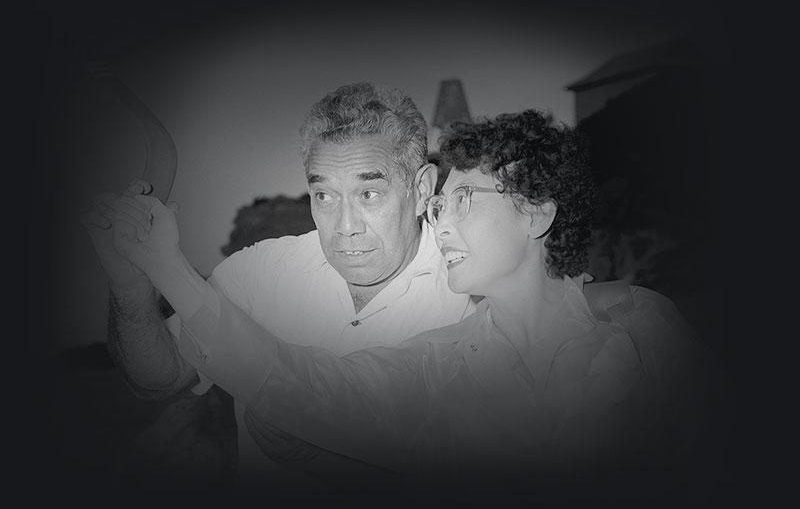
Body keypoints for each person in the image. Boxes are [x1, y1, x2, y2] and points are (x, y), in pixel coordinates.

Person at [108, 109, 708, 493]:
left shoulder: (639, 319)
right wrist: (162, 267)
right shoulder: (438, 364)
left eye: (464, 198)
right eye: (442, 206)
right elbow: (299, 387)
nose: (441, 224)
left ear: (537, 211)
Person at [82, 82, 475, 484]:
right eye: (324, 195)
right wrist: (129, 285)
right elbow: (159, 380)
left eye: (369, 193)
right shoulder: (261, 270)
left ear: (423, 188)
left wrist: (170, 269)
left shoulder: (472, 292)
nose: (345, 227)